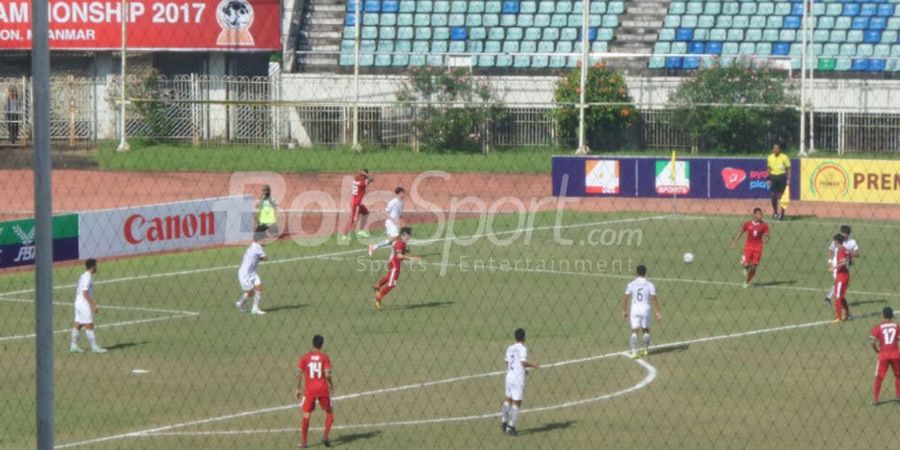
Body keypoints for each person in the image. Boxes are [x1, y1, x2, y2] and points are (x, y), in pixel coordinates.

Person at [295, 334, 334, 448]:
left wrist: (298, 388)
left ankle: (304, 442)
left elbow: (298, 373)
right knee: (330, 413)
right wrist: (331, 385)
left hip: (310, 390)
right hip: (322, 389)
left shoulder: (305, 357)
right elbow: (327, 374)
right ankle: (325, 436)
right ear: (322, 345)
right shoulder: (324, 357)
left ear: (312, 343)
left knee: (306, 415)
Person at [501, 328, 539, 436]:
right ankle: (510, 427)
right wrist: (534, 366)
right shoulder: (523, 348)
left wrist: (523, 370)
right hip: (517, 379)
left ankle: (504, 422)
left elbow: (508, 362)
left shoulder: (510, 348)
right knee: (517, 402)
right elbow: (522, 362)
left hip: (509, 376)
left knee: (508, 399)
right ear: (524, 338)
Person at [372, 226, 420, 310]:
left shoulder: (399, 241)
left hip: (392, 262)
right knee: (392, 284)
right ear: (404, 234)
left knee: (388, 277)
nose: (410, 236)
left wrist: (405, 251)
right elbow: (399, 256)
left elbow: (394, 247)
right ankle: (378, 298)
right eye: (409, 235)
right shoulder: (400, 243)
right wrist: (411, 258)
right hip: (395, 264)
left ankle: (378, 286)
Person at [622, 264, 662, 359]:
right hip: (645, 308)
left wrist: (624, 311)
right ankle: (645, 350)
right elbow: (653, 298)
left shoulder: (631, 284)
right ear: (645, 272)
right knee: (645, 329)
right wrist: (657, 312)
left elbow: (625, 298)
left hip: (635, 308)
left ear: (636, 272)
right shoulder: (650, 284)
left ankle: (634, 352)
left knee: (634, 331)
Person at [70, 259, 107, 353]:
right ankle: (94, 347)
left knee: (78, 324)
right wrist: (93, 305)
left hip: (77, 302)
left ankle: (73, 346)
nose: (96, 268)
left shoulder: (83, 275)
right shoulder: (87, 277)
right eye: (96, 266)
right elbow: (85, 292)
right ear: (93, 266)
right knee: (89, 324)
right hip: (83, 303)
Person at [729, 207, 770, 288]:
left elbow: (767, 234)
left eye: (761, 214)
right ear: (754, 214)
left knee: (754, 266)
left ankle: (746, 282)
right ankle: (745, 266)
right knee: (746, 264)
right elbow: (741, 232)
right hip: (748, 246)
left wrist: (767, 238)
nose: (760, 216)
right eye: (758, 214)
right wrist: (735, 242)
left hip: (758, 247)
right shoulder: (747, 224)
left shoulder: (764, 225)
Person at [236, 225, 269, 315]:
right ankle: (240, 304)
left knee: (259, 288)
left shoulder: (256, 245)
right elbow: (265, 258)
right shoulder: (257, 247)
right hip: (245, 274)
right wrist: (262, 257)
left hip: (252, 273)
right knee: (250, 292)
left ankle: (255, 309)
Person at [870, 307, 900, 405]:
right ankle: (898, 396)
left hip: (883, 355)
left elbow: (872, 342)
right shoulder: (897, 326)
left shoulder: (878, 327)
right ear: (892, 316)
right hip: (896, 355)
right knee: (898, 375)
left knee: (879, 377)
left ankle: (875, 399)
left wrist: (876, 350)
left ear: (883, 315)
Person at [825, 225, 860, 306]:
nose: (843, 235)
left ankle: (829, 298)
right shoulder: (838, 240)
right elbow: (830, 250)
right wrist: (830, 261)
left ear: (848, 234)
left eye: (845, 234)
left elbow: (857, 253)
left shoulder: (852, 242)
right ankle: (830, 298)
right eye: (842, 233)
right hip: (836, 264)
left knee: (839, 282)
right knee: (838, 281)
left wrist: (849, 255)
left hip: (845, 265)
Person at [368, 187, 406, 255]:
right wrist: (392, 219)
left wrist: (402, 223)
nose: (404, 194)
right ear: (398, 194)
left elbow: (400, 214)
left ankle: (375, 247)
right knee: (395, 237)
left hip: (396, 223)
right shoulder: (393, 202)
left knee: (393, 240)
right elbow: (385, 212)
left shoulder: (402, 203)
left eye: (404, 193)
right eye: (402, 193)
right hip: (390, 223)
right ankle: (375, 247)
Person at [341, 169, 374, 240]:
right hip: (356, 204)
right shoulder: (362, 183)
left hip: (355, 201)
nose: (366, 178)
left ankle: (361, 231)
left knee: (366, 213)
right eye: (365, 176)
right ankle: (344, 235)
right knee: (352, 219)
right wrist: (367, 174)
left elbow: (360, 176)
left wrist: (363, 173)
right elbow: (372, 179)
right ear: (363, 176)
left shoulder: (355, 180)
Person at [828, 233, 852, 323]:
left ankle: (839, 317)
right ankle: (848, 314)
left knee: (837, 296)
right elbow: (849, 261)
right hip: (844, 275)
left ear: (837, 241)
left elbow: (843, 262)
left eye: (834, 241)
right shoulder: (845, 250)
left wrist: (833, 268)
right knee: (841, 296)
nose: (833, 243)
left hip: (842, 276)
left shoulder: (841, 250)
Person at [766, 143, 791, 220]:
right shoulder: (770, 157)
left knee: (783, 196)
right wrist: (768, 179)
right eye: (774, 148)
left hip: (782, 177)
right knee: (773, 195)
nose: (775, 150)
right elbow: (769, 169)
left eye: (777, 148)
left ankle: (782, 213)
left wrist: (788, 179)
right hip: (773, 177)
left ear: (780, 149)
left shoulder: (784, 157)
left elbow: (788, 168)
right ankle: (775, 212)